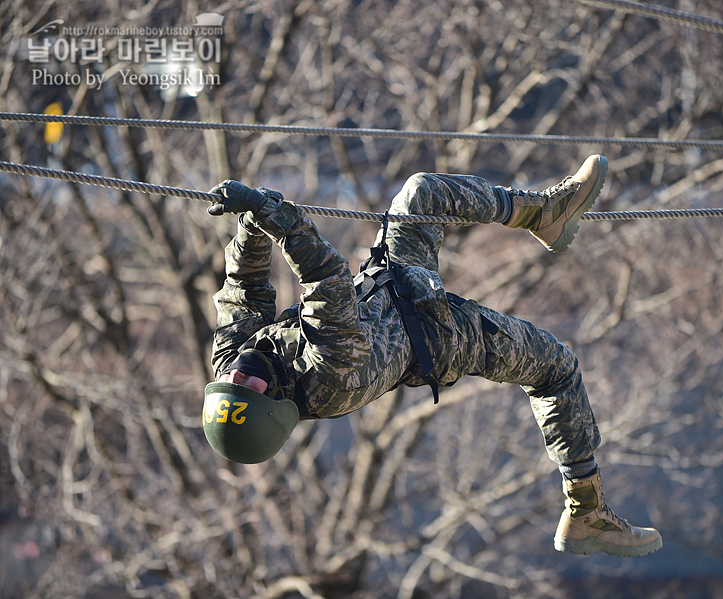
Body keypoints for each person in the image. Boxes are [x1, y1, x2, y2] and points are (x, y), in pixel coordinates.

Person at [201, 155, 663, 558]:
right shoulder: (330, 377)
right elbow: (325, 279)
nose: (239, 376)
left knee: (422, 191)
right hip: (439, 334)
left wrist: (252, 223)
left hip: (394, 284)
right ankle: (587, 510)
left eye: (230, 385)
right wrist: (276, 218)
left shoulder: (232, 363)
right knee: (555, 366)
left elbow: (244, 289)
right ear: (279, 403)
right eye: (247, 390)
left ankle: (544, 213)